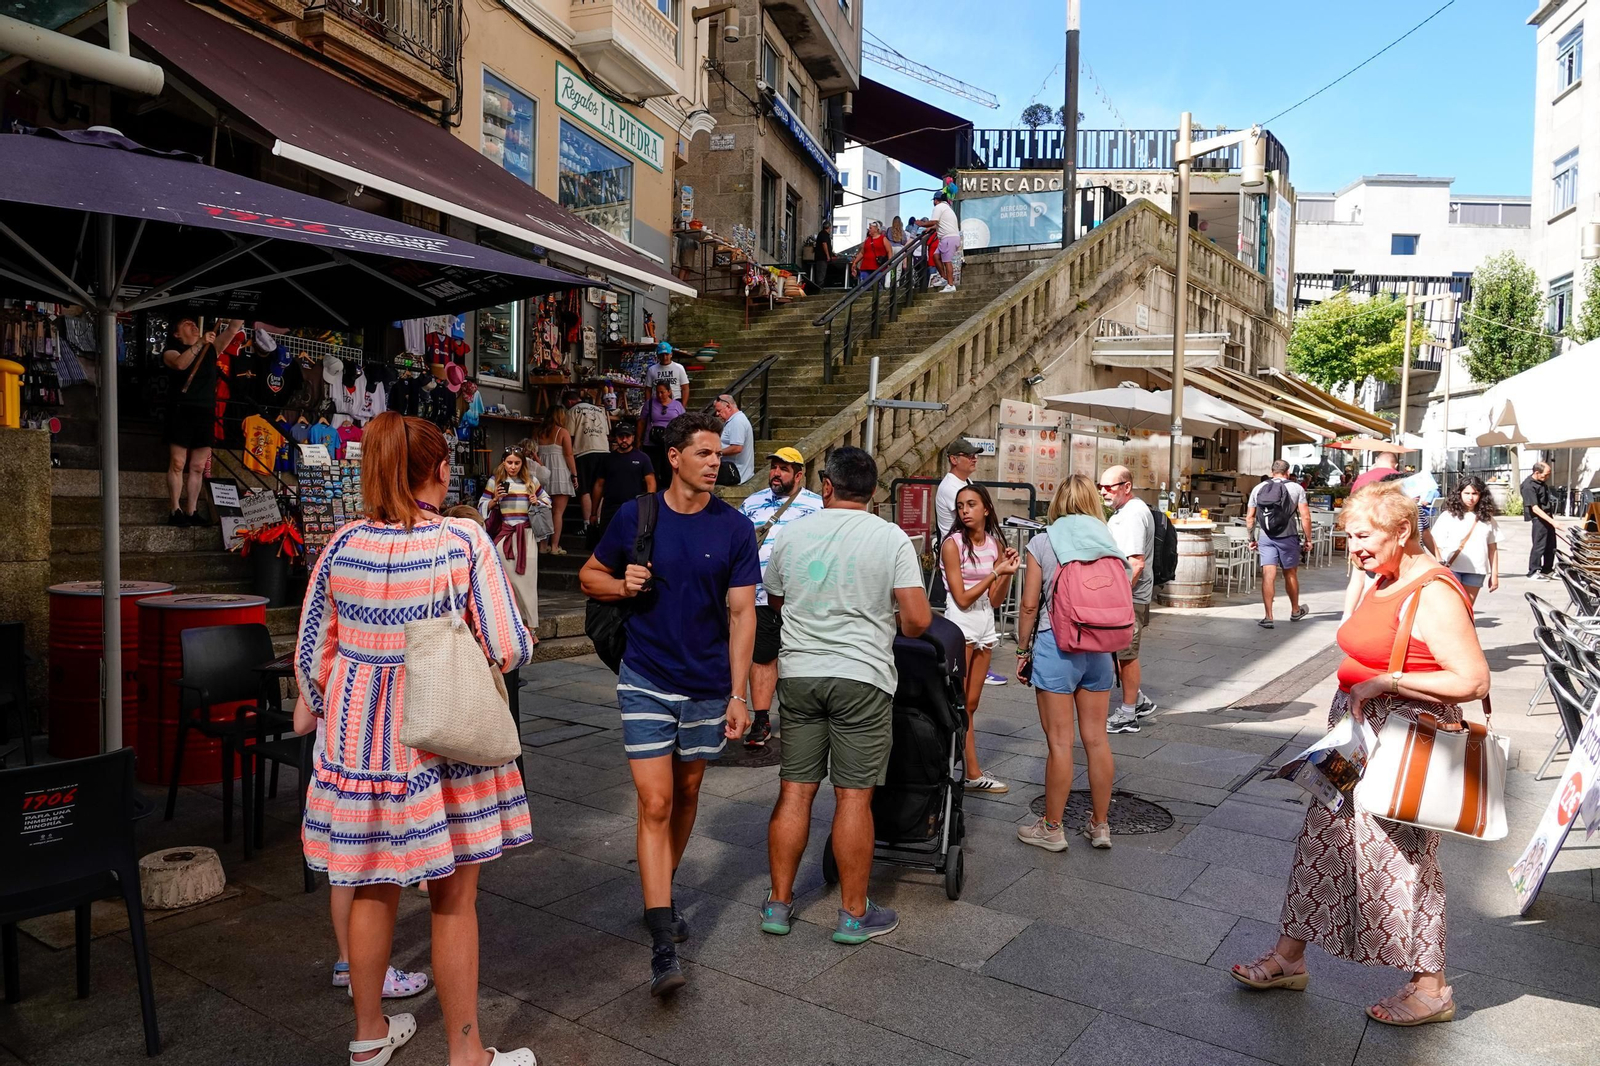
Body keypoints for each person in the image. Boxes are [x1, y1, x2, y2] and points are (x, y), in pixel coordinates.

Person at [296, 411, 538, 1066]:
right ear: (438, 470)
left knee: (372, 885)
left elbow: (311, 657)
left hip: (359, 748)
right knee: (454, 898)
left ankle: (369, 1035)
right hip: (440, 744)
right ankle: (468, 1054)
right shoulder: (461, 542)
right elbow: (509, 646)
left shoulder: (341, 546)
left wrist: (338, 714)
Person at [1232, 481, 1490, 1029]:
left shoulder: (1434, 591)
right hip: (1359, 737)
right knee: (1321, 847)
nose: (1354, 548)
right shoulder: (1386, 575)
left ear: (1403, 531)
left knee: (1403, 863)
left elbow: (1472, 678)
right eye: (1350, 537)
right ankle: (1288, 958)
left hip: (1401, 741)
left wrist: (1386, 681)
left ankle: (1431, 987)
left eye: (1363, 536)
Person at [579, 412, 759, 997]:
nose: (714, 463)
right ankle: (662, 943)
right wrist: (621, 584)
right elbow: (589, 577)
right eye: (703, 453)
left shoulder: (734, 528)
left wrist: (741, 695)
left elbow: (741, 615)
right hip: (645, 677)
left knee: (686, 794)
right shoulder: (637, 515)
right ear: (674, 458)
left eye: (718, 455)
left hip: (707, 684)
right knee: (654, 802)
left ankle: (662, 888)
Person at [759, 447, 930, 943]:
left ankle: (778, 904)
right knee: (854, 797)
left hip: (800, 674)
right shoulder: (891, 537)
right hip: (862, 676)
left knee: (795, 789)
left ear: (826, 487)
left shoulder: (792, 534)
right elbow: (918, 621)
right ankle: (853, 914)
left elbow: (776, 599)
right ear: (874, 491)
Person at [1014, 475, 1128, 851]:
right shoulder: (1107, 540)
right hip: (1100, 649)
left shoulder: (1044, 541)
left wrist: (1021, 648)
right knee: (1097, 741)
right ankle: (1100, 825)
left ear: (1058, 502)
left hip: (1056, 645)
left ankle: (1052, 827)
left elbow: (1030, 604)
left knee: (1060, 744)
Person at [739, 447, 824, 749]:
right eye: (774, 467)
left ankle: (804, 717)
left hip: (801, 599)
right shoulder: (753, 502)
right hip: (760, 596)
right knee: (762, 658)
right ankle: (761, 719)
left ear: (799, 475)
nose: (776, 473)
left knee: (801, 658)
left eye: (784, 469)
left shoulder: (817, 506)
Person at [942, 483, 1020, 793]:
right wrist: (994, 572)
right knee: (959, 704)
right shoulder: (952, 544)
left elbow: (997, 600)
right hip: (960, 626)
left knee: (971, 704)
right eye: (961, 506)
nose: (964, 511)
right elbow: (960, 598)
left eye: (971, 504)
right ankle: (971, 771)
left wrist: (1007, 573)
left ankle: (964, 768)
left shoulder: (994, 543)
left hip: (986, 626)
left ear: (986, 508)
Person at [1099, 466, 1157, 733]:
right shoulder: (1125, 512)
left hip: (1130, 597)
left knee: (1127, 654)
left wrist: (1120, 598)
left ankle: (1128, 714)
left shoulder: (1132, 514)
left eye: (1109, 487)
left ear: (1126, 486)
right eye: (1101, 486)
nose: (1103, 492)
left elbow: (1136, 562)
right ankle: (1140, 701)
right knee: (1121, 652)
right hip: (1127, 596)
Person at [162, 317, 234, 526]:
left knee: (198, 466)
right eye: (186, 323)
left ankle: (191, 510)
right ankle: (174, 509)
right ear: (176, 333)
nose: (193, 325)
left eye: (194, 322)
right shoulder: (170, 350)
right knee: (177, 463)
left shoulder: (212, 349)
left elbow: (233, 329)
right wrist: (200, 342)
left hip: (205, 410)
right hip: (181, 409)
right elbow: (180, 363)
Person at [479, 447, 549, 629]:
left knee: (528, 581)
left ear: (522, 464)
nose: (513, 466)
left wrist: (536, 501)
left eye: (517, 463)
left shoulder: (531, 481)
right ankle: (512, 624)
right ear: (503, 462)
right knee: (506, 580)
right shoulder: (495, 481)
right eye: (509, 462)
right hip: (506, 535)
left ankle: (531, 627)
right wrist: (495, 500)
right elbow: (481, 506)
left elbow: (548, 502)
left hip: (527, 535)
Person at [1246, 459, 1314, 628]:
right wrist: (1308, 539)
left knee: (1268, 575)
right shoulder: (1296, 488)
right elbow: (1305, 516)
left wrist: (1251, 539)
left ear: (1272, 472)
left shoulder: (1258, 488)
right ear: (1288, 472)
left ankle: (1268, 616)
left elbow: (1250, 518)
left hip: (1266, 537)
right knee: (1290, 574)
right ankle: (1295, 610)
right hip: (1288, 536)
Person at [1422, 476, 1499, 605]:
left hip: (1476, 569)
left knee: (1467, 607)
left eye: (1475, 493)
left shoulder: (1486, 518)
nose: (1471, 497)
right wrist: (1439, 560)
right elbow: (1434, 542)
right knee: (1451, 606)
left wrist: (1494, 574)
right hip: (1451, 567)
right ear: (1459, 494)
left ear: (1481, 495)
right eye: (1467, 493)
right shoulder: (1448, 516)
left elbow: (1493, 549)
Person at [589, 423, 656, 544]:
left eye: (627, 436)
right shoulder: (607, 459)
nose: (624, 440)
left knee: (631, 542)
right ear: (616, 437)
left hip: (633, 506)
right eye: (621, 436)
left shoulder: (642, 458)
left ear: (633, 437)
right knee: (607, 542)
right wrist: (593, 512)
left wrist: (648, 507)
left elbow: (651, 483)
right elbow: (599, 485)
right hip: (610, 507)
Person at [566, 389, 612, 533]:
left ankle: (587, 524)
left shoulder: (572, 411)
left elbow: (569, 435)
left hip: (584, 451)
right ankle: (598, 521)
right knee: (600, 488)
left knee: (584, 489)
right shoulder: (600, 410)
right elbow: (607, 432)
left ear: (568, 402)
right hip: (604, 451)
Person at [534, 406, 578, 554]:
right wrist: (574, 474)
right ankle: (554, 546)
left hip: (542, 474)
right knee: (558, 513)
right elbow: (569, 454)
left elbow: (534, 453)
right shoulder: (562, 432)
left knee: (543, 510)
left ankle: (542, 545)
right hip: (560, 474)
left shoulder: (538, 432)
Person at [1521, 461, 1563, 580]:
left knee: (1551, 545)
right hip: (1539, 518)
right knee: (1539, 545)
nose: (1547, 477)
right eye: (1546, 474)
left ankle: (1547, 569)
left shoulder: (1541, 482)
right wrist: (1553, 522)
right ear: (1537, 472)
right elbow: (1534, 508)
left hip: (1547, 516)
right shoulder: (1528, 486)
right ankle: (1533, 570)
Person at [639, 381, 686, 486]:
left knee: (668, 471)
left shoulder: (677, 405)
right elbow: (641, 422)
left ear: (669, 392)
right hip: (652, 442)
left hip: (669, 442)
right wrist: (638, 440)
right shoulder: (650, 404)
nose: (660, 395)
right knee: (652, 470)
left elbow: (683, 422)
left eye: (662, 392)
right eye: (657, 392)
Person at [919, 193, 962, 293]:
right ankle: (944, 278)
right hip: (950, 237)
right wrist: (930, 228)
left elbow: (933, 221)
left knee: (947, 261)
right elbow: (940, 223)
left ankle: (951, 285)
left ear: (935, 200)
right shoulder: (947, 207)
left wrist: (922, 224)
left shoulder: (939, 207)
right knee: (936, 256)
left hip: (948, 238)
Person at [713, 393, 755, 485]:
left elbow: (737, 448)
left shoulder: (737, 421)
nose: (717, 414)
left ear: (728, 406)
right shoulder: (735, 420)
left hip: (736, 474)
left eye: (719, 410)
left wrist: (716, 453)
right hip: (734, 472)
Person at [645, 341, 690, 408]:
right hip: (657, 402)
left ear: (671, 354)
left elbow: (685, 388)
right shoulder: (652, 370)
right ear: (658, 355)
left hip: (675, 401)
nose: (664, 357)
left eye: (666, 354)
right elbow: (648, 389)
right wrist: (648, 406)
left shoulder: (679, 368)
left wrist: (682, 407)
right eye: (662, 355)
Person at [811, 224, 833, 289]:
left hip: (820, 258)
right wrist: (828, 255)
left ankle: (819, 287)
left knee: (821, 273)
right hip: (822, 258)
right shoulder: (824, 234)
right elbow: (824, 244)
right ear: (829, 228)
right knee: (821, 274)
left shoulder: (822, 234)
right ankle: (819, 289)